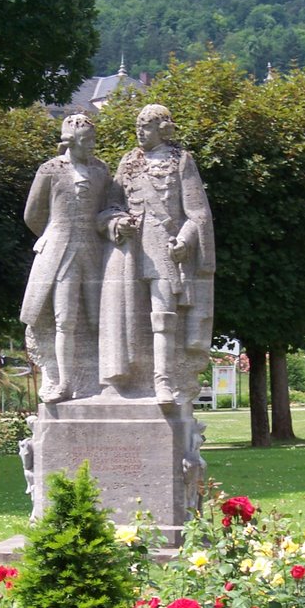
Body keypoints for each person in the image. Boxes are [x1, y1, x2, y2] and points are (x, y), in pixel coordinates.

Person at [99, 104, 215, 405]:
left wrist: (185, 242)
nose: (140, 131)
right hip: (127, 251)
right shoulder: (128, 162)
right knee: (126, 318)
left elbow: (197, 213)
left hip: (162, 246)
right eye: (138, 125)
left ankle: (163, 382)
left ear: (163, 129)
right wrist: (116, 221)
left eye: (146, 126)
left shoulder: (181, 160)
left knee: (163, 315)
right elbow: (110, 206)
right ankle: (121, 380)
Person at [20, 114, 111, 403]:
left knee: (101, 317)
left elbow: (108, 206)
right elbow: (32, 214)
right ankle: (62, 381)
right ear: (70, 142)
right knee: (65, 319)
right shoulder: (50, 169)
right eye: (87, 142)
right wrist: (53, 232)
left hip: (95, 251)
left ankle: (102, 380)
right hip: (62, 252)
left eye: (94, 141)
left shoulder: (100, 170)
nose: (92, 146)